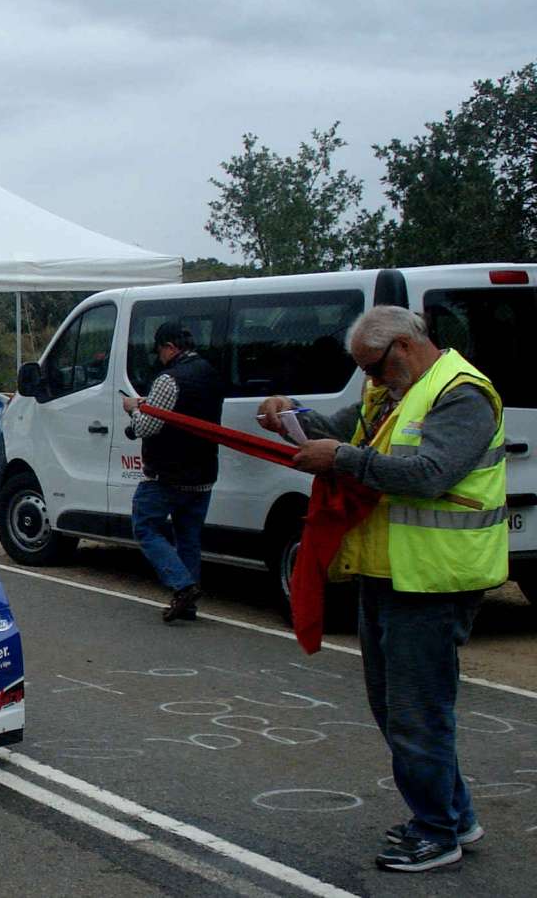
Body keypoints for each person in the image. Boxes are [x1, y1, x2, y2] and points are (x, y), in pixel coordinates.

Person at [257, 305, 503, 873]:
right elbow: (341, 430)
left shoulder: (462, 393)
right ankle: (454, 815)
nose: (368, 379)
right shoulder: (391, 389)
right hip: (389, 572)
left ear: (405, 346)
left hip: (434, 580)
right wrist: (290, 415)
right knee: (394, 709)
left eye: (372, 367)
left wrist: (342, 458)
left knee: (417, 714)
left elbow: (430, 474)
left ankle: (436, 831)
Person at [122, 321, 225, 623]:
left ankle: (182, 586)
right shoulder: (210, 372)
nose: (160, 358)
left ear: (169, 347)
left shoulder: (168, 380)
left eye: (160, 351)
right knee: (188, 538)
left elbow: (147, 426)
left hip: (168, 473)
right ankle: (187, 603)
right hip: (204, 473)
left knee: (145, 527)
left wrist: (133, 408)